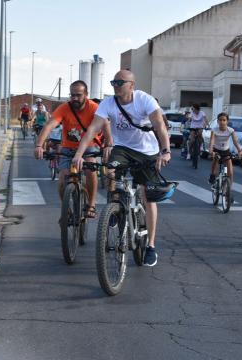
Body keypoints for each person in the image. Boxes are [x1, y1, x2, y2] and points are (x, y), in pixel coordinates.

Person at [72, 69, 171, 267]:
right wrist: (79, 154)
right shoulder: (108, 103)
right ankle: (115, 209)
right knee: (111, 172)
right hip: (122, 148)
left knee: (148, 195)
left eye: (120, 82)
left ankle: (150, 245)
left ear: (132, 85)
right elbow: (93, 128)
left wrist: (165, 150)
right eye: (113, 83)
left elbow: (159, 126)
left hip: (147, 150)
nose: (116, 86)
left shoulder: (145, 100)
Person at [35, 81, 103, 219]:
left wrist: (108, 144)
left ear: (86, 94)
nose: (75, 98)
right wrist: (39, 145)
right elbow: (49, 125)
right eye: (72, 95)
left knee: (90, 170)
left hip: (89, 147)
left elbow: (105, 124)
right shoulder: (64, 108)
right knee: (62, 181)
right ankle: (67, 209)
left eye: (78, 95)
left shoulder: (94, 108)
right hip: (68, 148)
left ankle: (91, 204)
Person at [208, 112, 242, 185]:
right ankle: (212, 175)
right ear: (217, 121)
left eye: (224, 120)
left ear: (227, 121)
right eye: (220, 120)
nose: (222, 122)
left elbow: (235, 142)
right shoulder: (214, 130)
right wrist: (211, 150)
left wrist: (239, 151)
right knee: (215, 166)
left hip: (226, 151)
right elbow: (212, 141)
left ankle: (229, 190)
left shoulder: (231, 130)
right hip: (216, 150)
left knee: (230, 172)